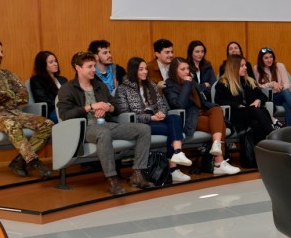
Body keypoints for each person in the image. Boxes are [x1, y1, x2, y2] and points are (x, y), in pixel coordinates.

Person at [56, 51, 154, 195]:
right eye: (89, 66)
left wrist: (108, 107)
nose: (93, 70)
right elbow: (65, 115)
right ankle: (113, 180)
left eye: (94, 66)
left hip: (106, 124)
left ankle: (138, 175)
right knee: (103, 133)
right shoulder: (67, 89)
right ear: (78, 68)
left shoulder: (100, 85)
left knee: (144, 129)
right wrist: (91, 106)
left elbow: (116, 107)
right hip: (85, 128)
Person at [0, 39, 54, 178]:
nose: (1, 54)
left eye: (1, 51)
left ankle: (20, 161)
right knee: (11, 124)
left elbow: (24, 95)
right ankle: (33, 162)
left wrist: (3, 95)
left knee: (47, 124)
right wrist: (10, 95)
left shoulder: (6, 74)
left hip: (13, 112)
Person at [114, 57, 193, 183]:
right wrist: (150, 117)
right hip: (141, 124)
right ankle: (174, 166)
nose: (145, 71)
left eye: (146, 69)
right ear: (133, 71)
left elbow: (161, 104)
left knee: (175, 117)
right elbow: (127, 115)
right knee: (173, 130)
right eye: (141, 69)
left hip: (156, 118)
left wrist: (161, 112)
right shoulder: (123, 89)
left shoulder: (151, 85)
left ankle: (177, 154)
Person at [163, 57, 240, 175]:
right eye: (182, 69)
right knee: (221, 126)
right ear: (175, 71)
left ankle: (216, 145)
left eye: (187, 68)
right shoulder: (170, 85)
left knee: (217, 109)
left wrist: (199, 85)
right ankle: (219, 162)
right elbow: (179, 105)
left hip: (203, 110)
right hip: (190, 117)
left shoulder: (192, 81)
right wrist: (187, 84)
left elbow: (202, 96)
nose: (186, 71)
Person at [215, 55, 276, 147]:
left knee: (256, 123)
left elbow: (263, 95)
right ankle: (274, 137)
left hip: (251, 114)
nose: (245, 67)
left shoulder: (249, 81)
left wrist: (258, 100)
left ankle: (259, 155)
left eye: (245, 65)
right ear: (234, 67)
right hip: (236, 116)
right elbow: (220, 101)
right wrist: (238, 105)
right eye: (242, 66)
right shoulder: (223, 83)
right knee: (256, 111)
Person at [254, 46, 291, 126]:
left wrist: (280, 88)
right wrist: (271, 84)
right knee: (286, 94)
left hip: (287, 94)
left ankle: (288, 132)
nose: (269, 60)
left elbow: (287, 84)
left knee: (287, 103)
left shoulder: (280, 66)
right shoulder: (256, 68)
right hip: (273, 97)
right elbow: (258, 86)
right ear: (261, 59)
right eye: (266, 58)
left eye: (271, 57)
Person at [29, 50, 67, 123]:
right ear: (43, 65)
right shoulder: (36, 80)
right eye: (51, 62)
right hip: (53, 111)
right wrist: (63, 104)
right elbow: (42, 99)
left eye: (55, 61)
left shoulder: (63, 79)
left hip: (67, 108)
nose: (55, 64)